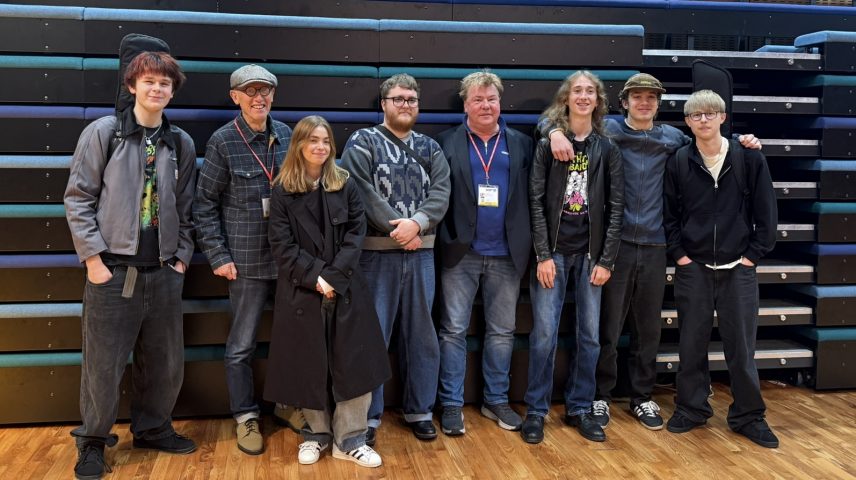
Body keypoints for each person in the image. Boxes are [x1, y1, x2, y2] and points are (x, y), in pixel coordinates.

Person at [541, 73, 762, 431]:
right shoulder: (607, 132)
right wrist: (552, 132)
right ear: (624, 102)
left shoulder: (673, 138)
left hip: (658, 245)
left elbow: (712, 140)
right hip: (615, 245)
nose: (645, 103)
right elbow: (556, 121)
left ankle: (642, 397)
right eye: (637, 97)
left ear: (658, 104)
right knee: (608, 327)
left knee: (648, 328)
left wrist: (744, 140)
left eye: (652, 98)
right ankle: (602, 395)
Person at [64, 51, 196, 480]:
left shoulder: (181, 143)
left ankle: (153, 428)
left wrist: (181, 258)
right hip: (113, 272)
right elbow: (78, 198)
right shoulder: (104, 133)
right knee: (102, 367)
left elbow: (188, 208)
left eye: (165, 83)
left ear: (173, 91)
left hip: (163, 272)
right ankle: (93, 443)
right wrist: (93, 260)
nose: (157, 89)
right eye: (149, 81)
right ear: (132, 85)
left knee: (164, 363)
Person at [264, 115, 391, 468]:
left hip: (347, 288)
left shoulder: (345, 185)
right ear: (299, 145)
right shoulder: (282, 191)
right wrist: (316, 277)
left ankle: (350, 439)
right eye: (313, 140)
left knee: (355, 363)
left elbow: (356, 235)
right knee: (309, 365)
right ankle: (316, 435)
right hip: (303, 292)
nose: (320, 147)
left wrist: (333, 277)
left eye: (325, 141)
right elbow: (282, 246)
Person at [193, 64, 303, 456]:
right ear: (235, 97)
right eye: (250, 91)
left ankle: (288, 404)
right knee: (241, 346)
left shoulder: (288, 135)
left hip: (288, 261)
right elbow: (203, 205)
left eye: (266, 91)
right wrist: (218, 256)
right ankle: (245, 416)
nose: (260, 98)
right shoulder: (223, 141)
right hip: (245, 263)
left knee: (289, 341)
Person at [663, 89, 779, 448]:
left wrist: (753, 256)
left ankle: (748, 416)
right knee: (691, 344)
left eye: (710, 114)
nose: (703, 120)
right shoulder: (680, 160)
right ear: (688, 122)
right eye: (696, 116)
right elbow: (669, 215)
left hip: (738, 268)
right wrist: (680, 254)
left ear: (723, 118)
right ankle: (691, 408)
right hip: (693, 267)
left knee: (741, 348)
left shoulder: (748, 157)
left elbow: (767, 212)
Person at [339, 73, 451, 445]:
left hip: (421, 256)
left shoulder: (431, 147)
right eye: (399, 99)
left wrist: (417, 225)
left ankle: (419, 410)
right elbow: (361, 189)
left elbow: (441, 192)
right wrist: (398, 230)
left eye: (412, 100)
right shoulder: (363, 141)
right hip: (376, 257)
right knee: (375, 337)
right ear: (383, 104)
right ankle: (369, 416)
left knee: (422, 338)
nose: (406, 105)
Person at [522, 71, 624, 444]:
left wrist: (606, 260)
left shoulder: (608, 148)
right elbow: (535, 201)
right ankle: (536, 410)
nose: (583, 96)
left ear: (598, 101)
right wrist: (543, 254)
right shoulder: (548, 143)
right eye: (577, 91)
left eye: (590, 92)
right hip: (554, 256)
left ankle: (580, 407)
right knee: (544, 335)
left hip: (590, 256)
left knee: (590, 337)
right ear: (566, 98)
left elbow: (616, 208)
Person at [435, 70, 533, 436]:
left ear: (500, 103)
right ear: (466, 105)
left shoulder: (522, 143)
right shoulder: (445, 142)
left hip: (508, 255)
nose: (486, 105)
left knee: (502, 332)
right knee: (452, 331)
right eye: (478, 99)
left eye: (491, 99)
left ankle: (496, 401)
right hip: (461, 254)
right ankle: (450, 405)